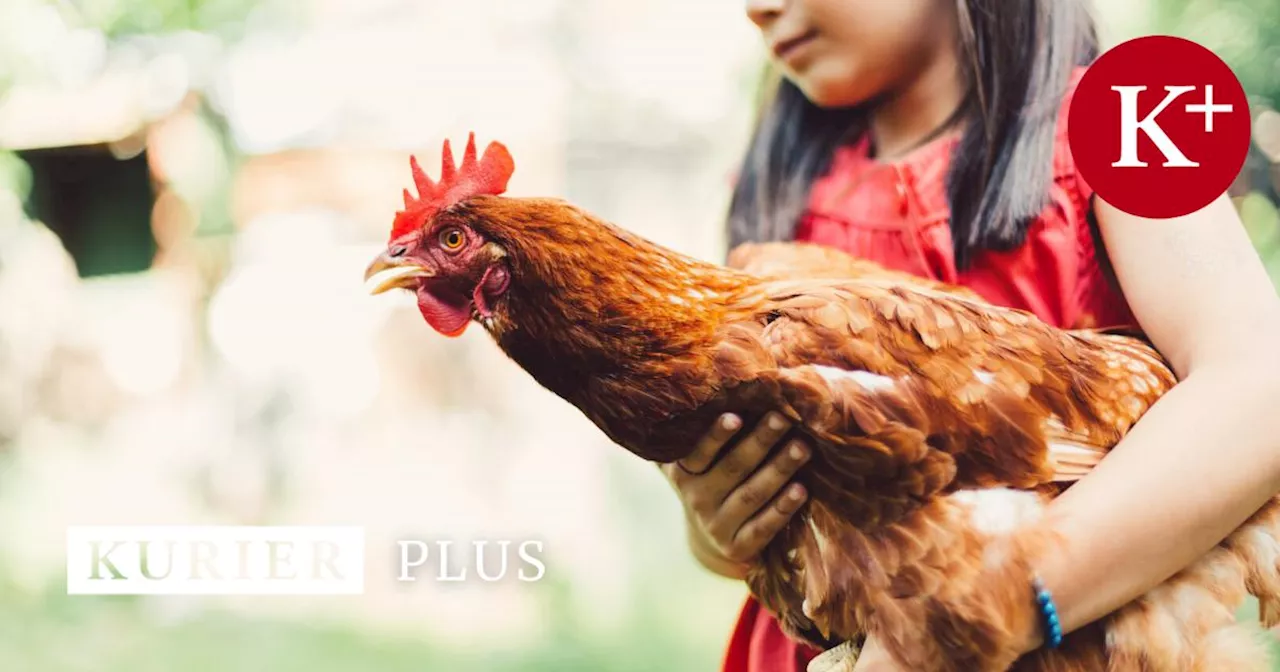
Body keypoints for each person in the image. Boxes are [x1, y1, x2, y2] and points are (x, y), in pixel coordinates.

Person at [658, 0, 1280, 670]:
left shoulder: (1128, 116)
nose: (757, 8)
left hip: (1066, 633)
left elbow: (1255, 387)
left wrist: (994, 601)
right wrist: (718, 527)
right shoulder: (781, 189)